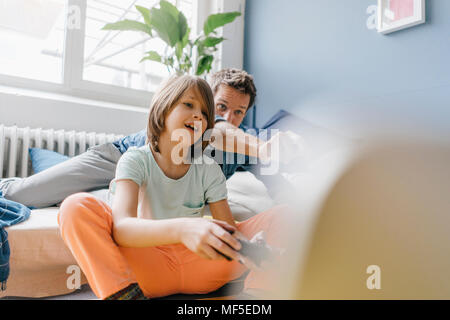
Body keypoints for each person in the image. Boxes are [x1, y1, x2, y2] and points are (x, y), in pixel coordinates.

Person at [57, 75, 289, 299]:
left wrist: (248, 248)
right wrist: (184, 229)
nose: (198, 116)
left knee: (287, 214)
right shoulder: (135, 159)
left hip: (203, 266)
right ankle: (124, 295)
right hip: (148, 268)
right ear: (163, 108)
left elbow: (229, 231)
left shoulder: (208, 169)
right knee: (75, 206)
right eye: (188, 104)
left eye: (204, 113)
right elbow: (122, 228)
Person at [0, 69, 288, 209]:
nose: (230, 117)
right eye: (221, 106)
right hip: (117, 159)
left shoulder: (243, 145)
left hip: (155, 188)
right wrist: (263, 146)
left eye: (239, 112)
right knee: (23, 195)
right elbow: (220, 132)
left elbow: (279, 186)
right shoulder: (226, 132)